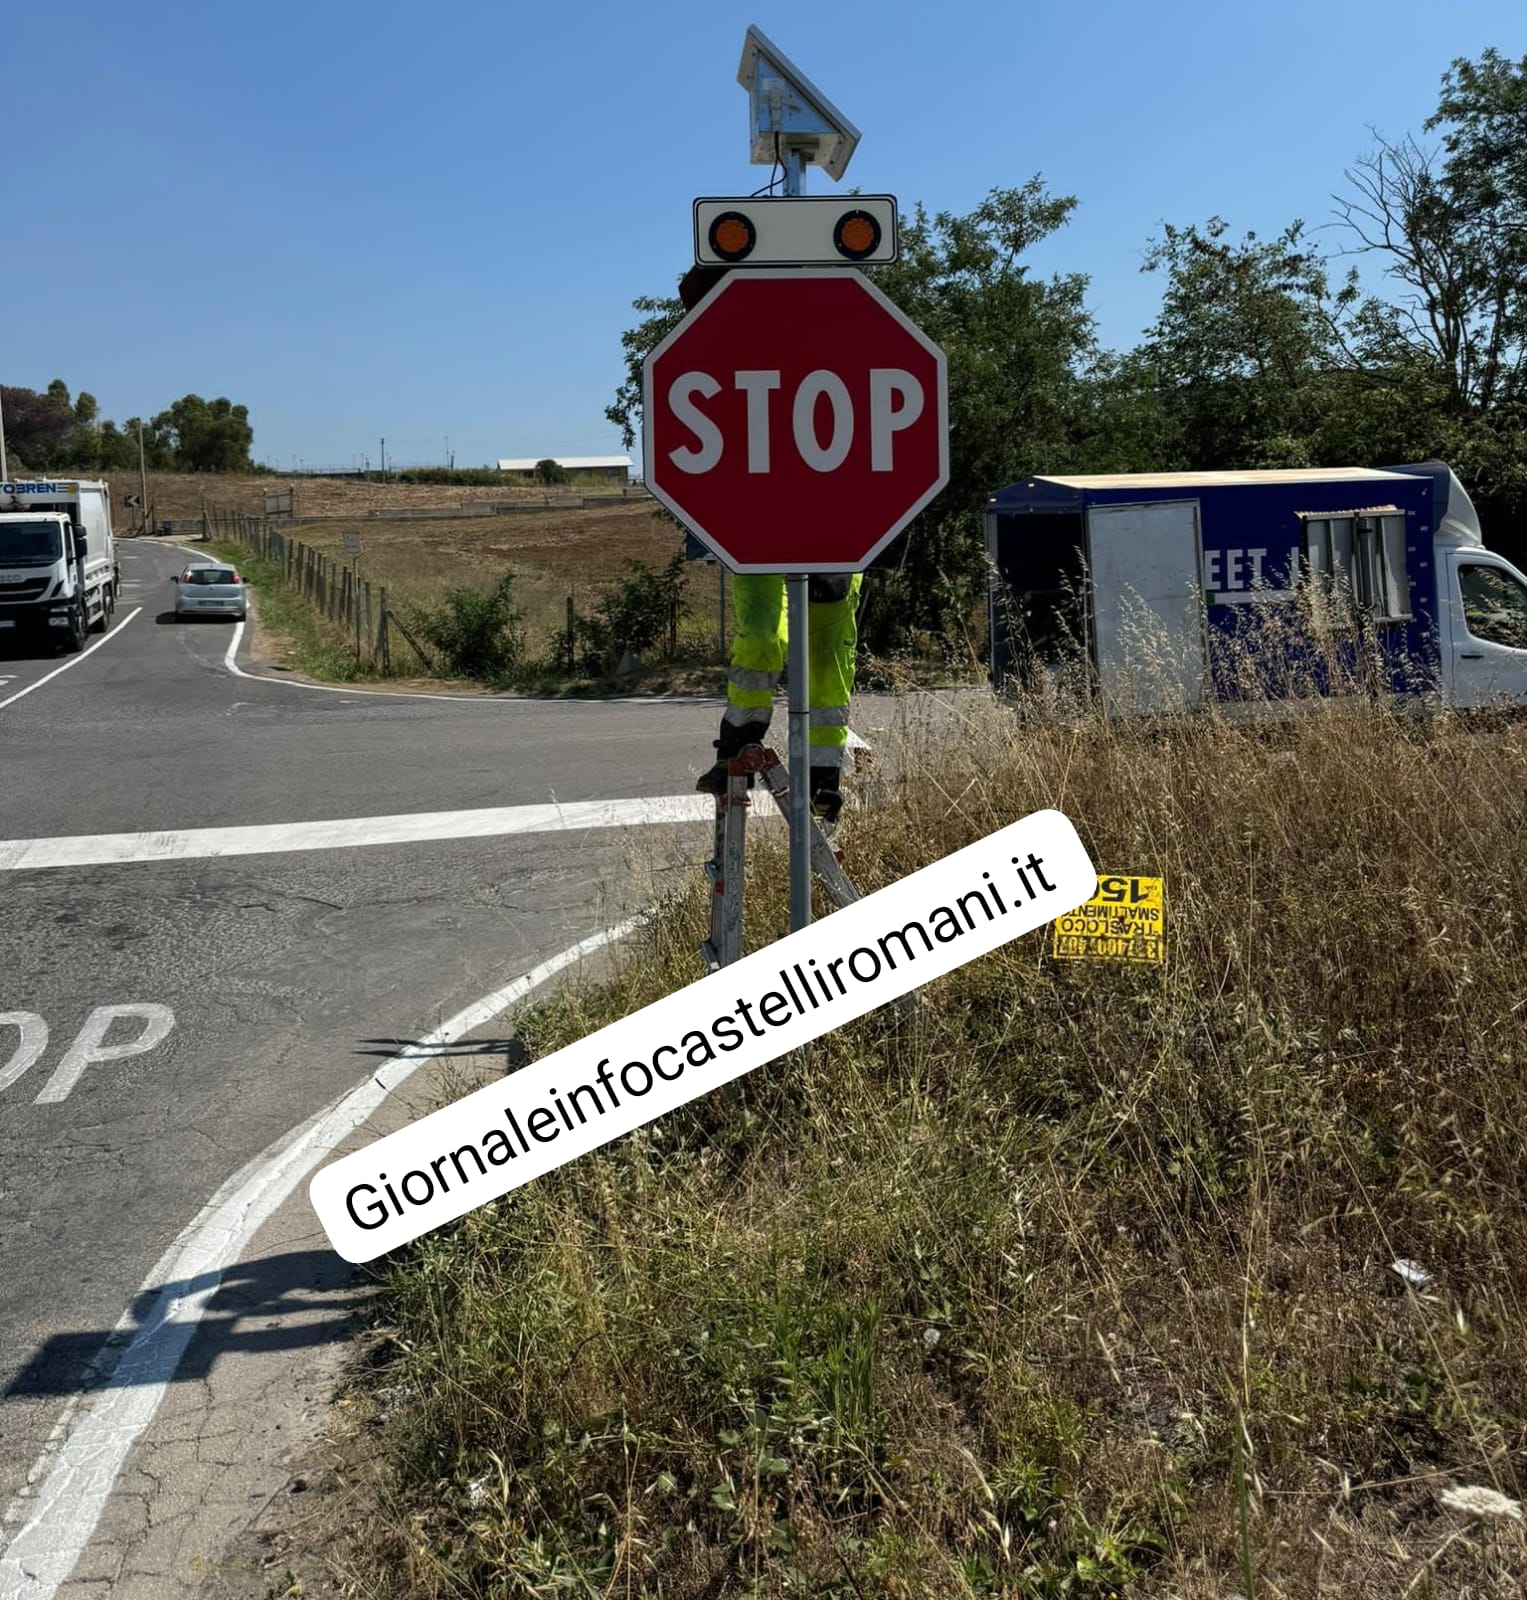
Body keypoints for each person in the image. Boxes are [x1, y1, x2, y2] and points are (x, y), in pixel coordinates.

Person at [695, 570, 862, 823]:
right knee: (762, 637)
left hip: (832, 549)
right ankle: (738, 742)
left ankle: (822, 778)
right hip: (761, 542)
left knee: (826, 663)